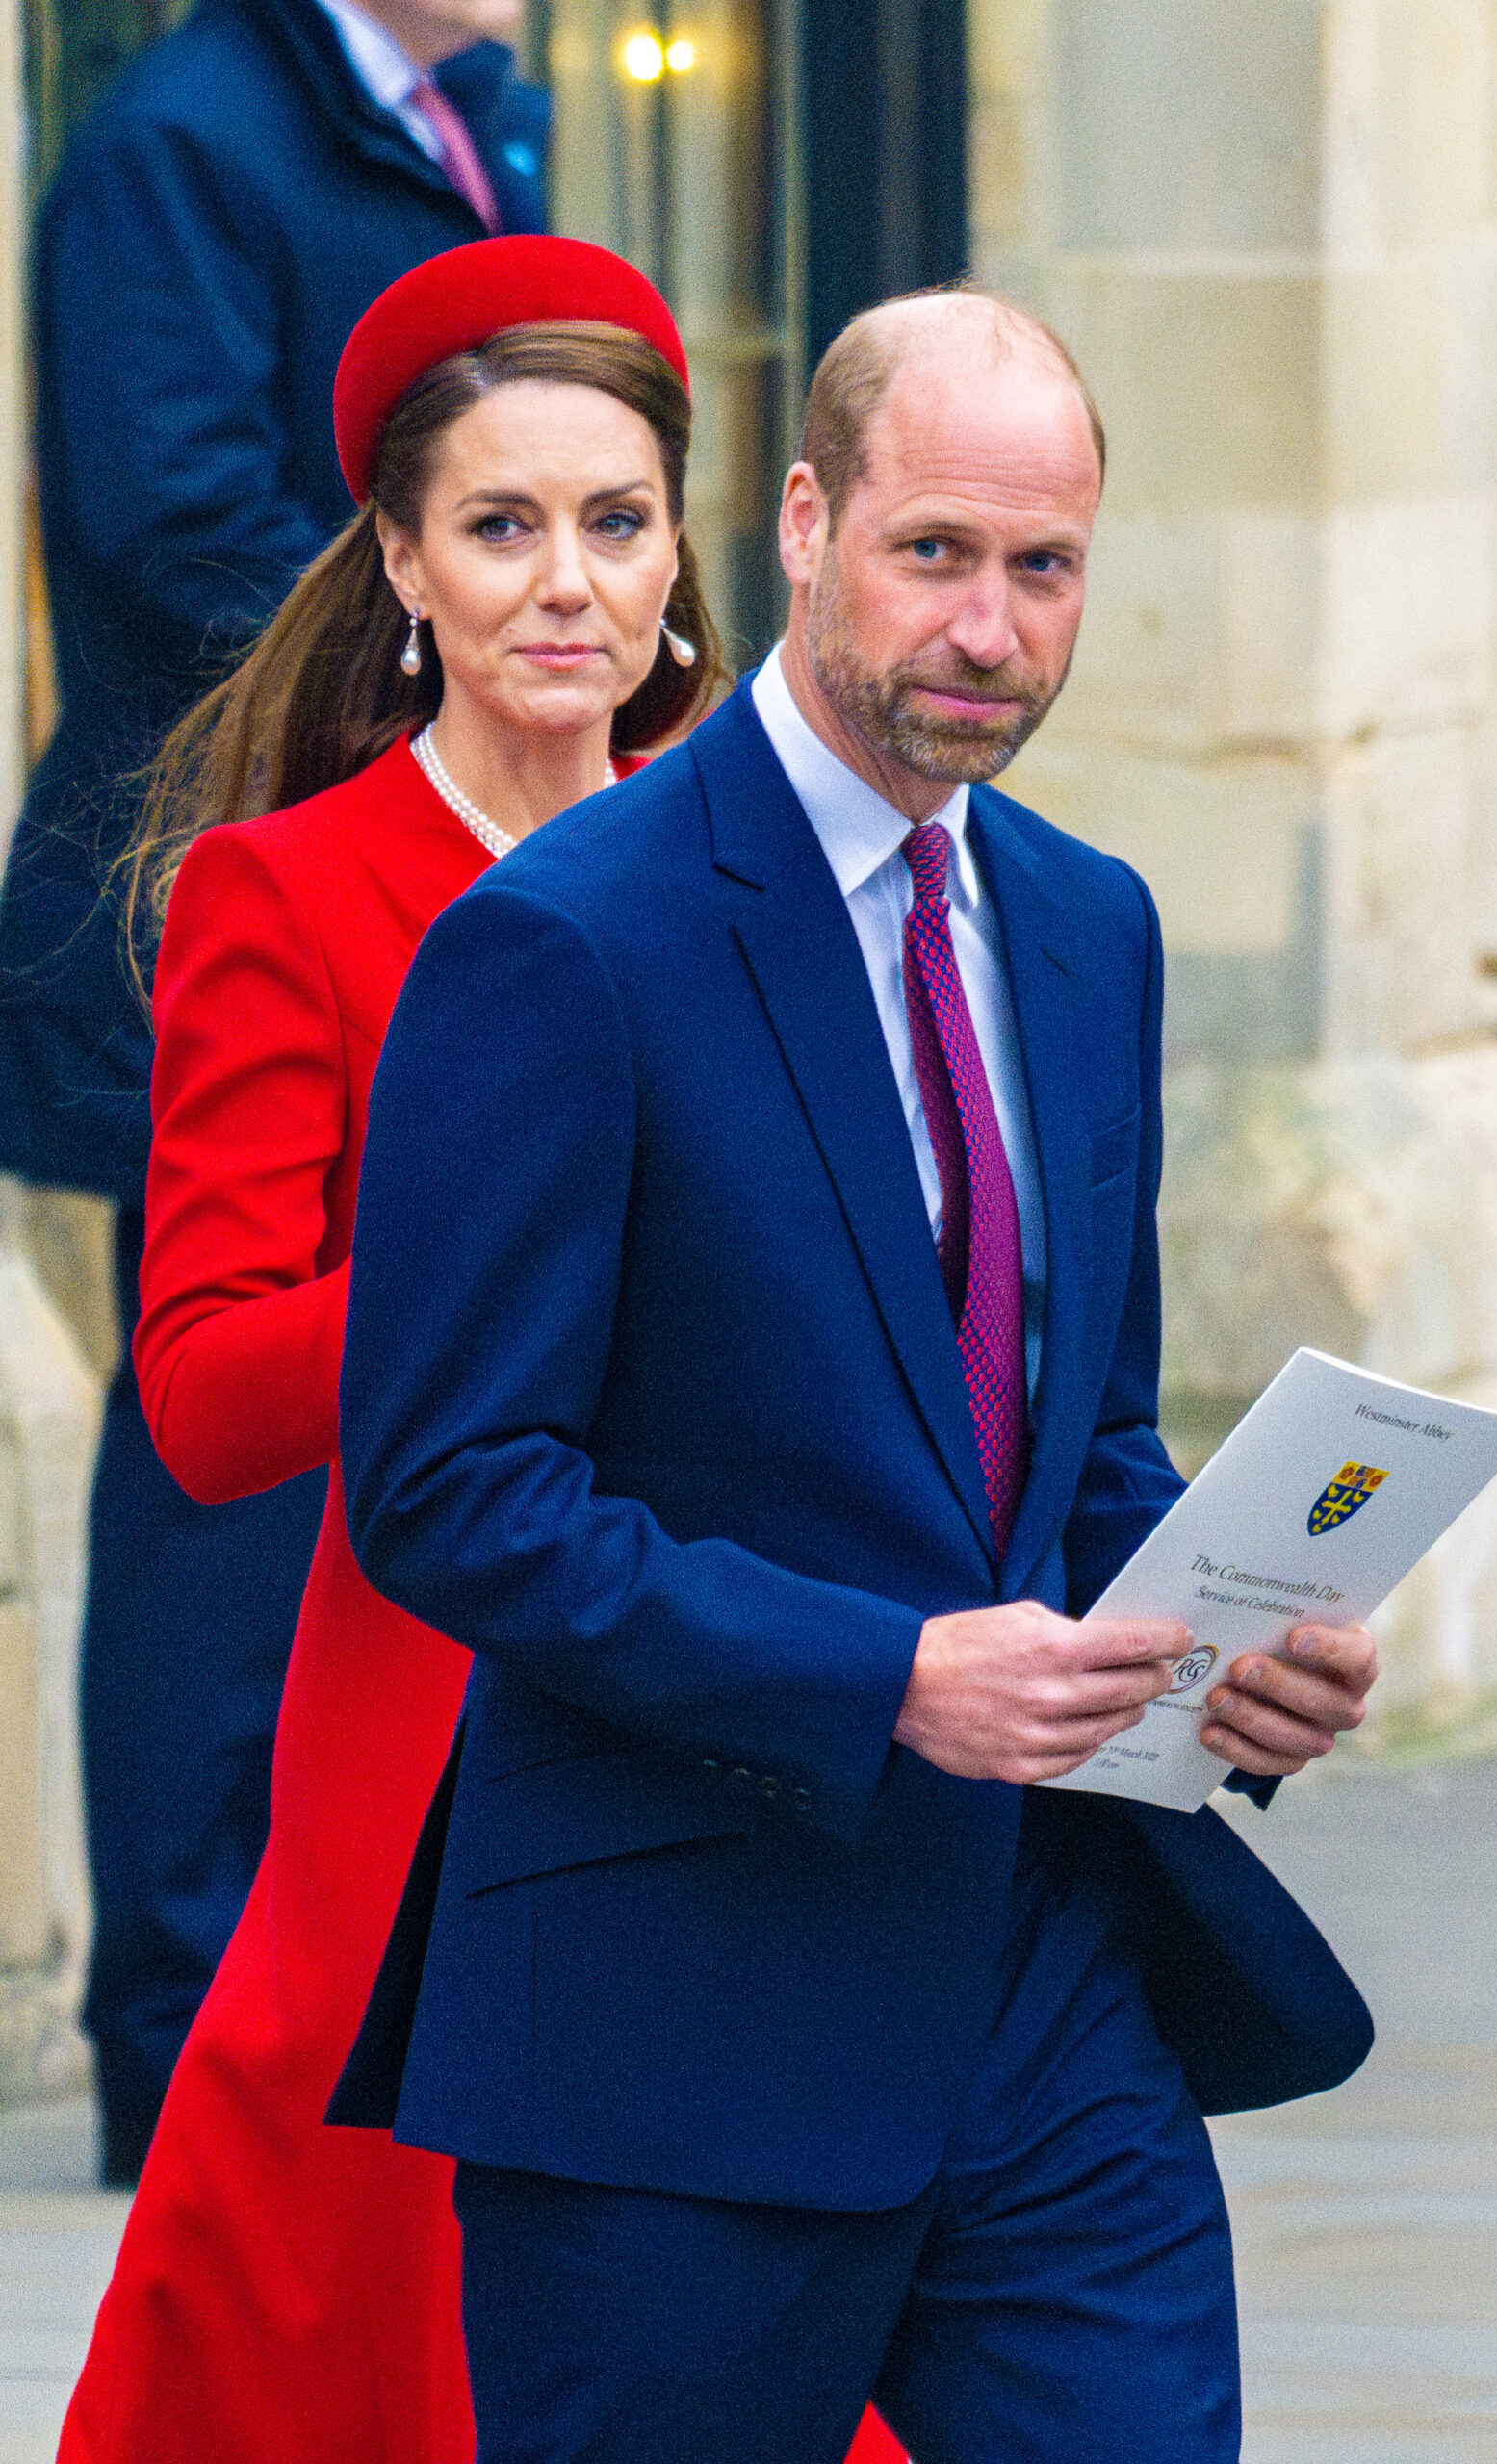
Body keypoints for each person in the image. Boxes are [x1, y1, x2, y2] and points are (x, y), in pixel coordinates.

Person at [332, 287, 1381, 2462]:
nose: (987, 626)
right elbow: (449, 1483)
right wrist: (881, 1670)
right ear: (803, 524)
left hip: (1049, 1993)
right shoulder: (562, 937)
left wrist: (1226, 1646)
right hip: (670, 2023)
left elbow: (1066, 1438)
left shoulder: (1089, 925)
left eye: (1042, 566)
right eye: (931, 552)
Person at [54, 235, 720, 2464]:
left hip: (750, 1663)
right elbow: (214, 1391)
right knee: (376, 2314)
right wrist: (498, 1253)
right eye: (501, 526)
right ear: (404, 565)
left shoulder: (769, 872)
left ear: (682, 560)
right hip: (429, 1706)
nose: (566, 583)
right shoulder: (288, 890)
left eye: (613, 522)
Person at [0, 0, 548, 2182]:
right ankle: (185, 2030)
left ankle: (380, 1991)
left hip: (449, 905)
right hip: (220, 906)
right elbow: (171, 523)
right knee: (224, 1486)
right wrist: (483, 669)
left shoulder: (466, 119)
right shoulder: (178, 142)